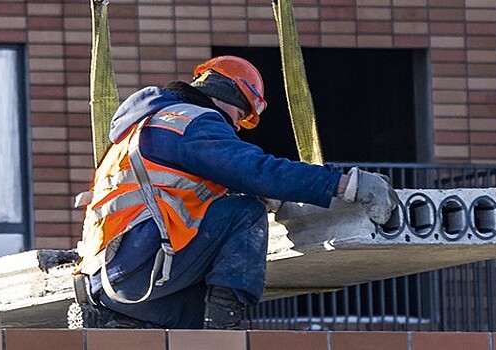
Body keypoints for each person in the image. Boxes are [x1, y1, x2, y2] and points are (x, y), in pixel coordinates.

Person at [70, 55, 398, 330]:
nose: (238, 126)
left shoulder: (143, 128)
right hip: (142, 270)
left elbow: (175, 197)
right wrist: (345, 184)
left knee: (195, 322)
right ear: (227, 97)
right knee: (245, 212)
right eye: (241, 115)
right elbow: (257, 169)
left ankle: (113, 323)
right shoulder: (193, 122)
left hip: (112, 283)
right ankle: (226, 325)